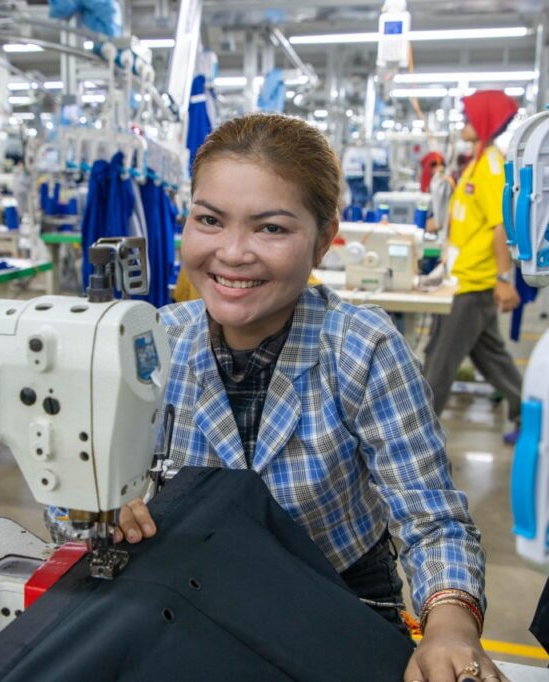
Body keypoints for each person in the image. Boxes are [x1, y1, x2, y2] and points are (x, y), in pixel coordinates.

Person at [116, 114, 503, 682]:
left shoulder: (361, 349)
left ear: (324, 240)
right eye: (209, 220)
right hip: (190, 590)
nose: (233, 252)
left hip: (337, 594)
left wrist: (449, 629)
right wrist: (100, 505)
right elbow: (77, 478)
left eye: (271, 228)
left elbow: (431, 519)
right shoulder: (153, 343)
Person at [423, 91, 523, 444]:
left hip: (472, 283)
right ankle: (530, 416)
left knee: (438, 364)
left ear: (483, 121)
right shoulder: (476, 164)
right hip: (462, 278)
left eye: (468, 117)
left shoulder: (492, 167)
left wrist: (503, 278)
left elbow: (500, 226)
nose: (463, 123)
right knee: (492, 358)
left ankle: (416, 439)